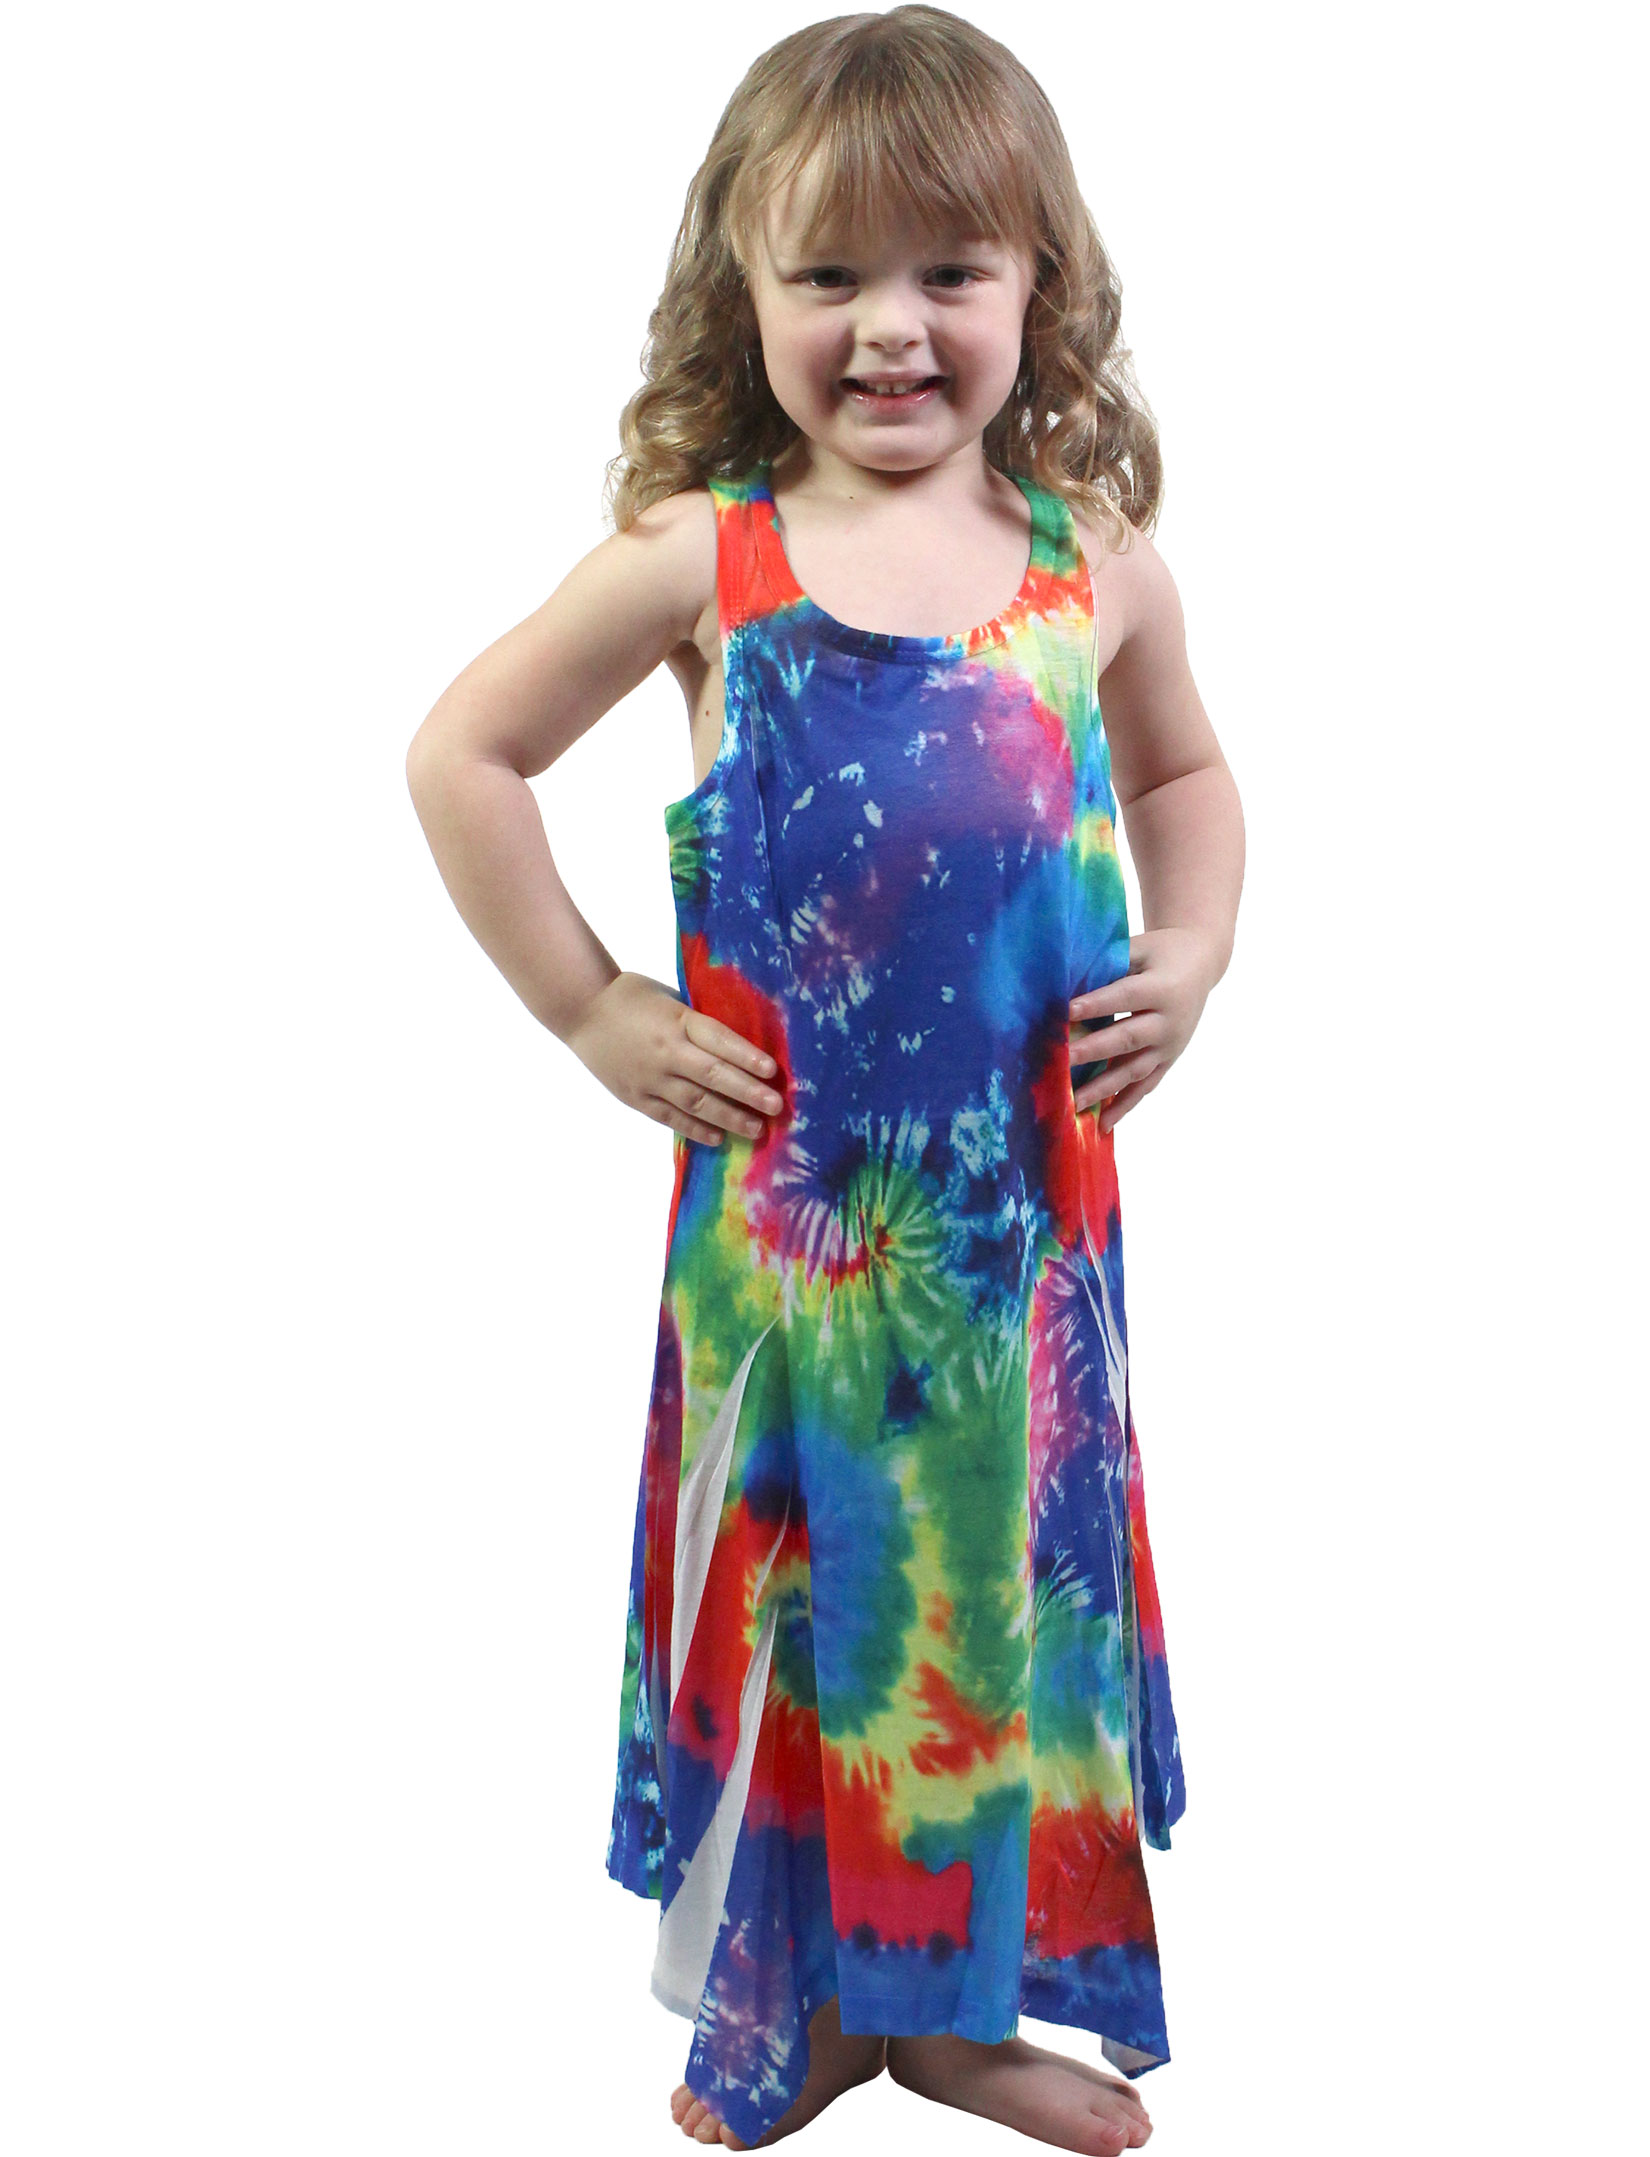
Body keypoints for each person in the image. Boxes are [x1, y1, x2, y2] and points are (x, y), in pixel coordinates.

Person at [406, 8, 1243, 2151]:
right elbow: (465, 753)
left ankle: (955, 2018)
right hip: (790, 1262)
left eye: (949, 271)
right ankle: (803, 2012)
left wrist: (1193, 949)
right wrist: (593, 1008)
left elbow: (1182, 774)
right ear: (745, 290)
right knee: (811, 1612)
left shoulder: (1093, 560)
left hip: (1020, 1259)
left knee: (987, 1617)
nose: (891, 328)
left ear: (1039, 282)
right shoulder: (708, 560)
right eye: (830, 274)